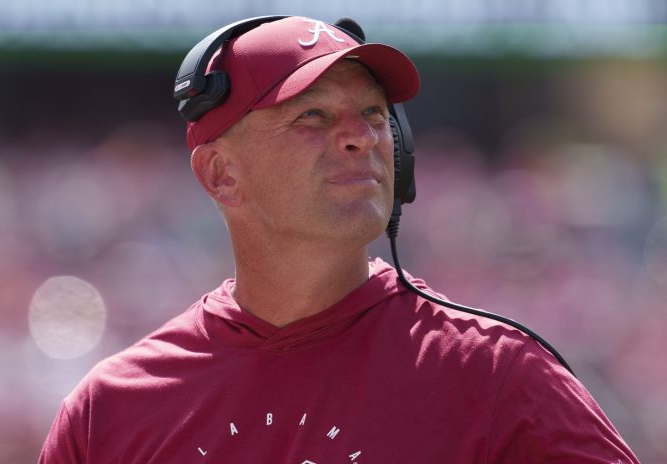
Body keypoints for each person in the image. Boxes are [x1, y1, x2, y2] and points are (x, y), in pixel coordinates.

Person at [39, 15, 639, 463]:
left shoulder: (500, 376)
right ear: (221, 173)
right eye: (313, 117)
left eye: (375, 115)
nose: (361, 138)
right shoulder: (110, 410)